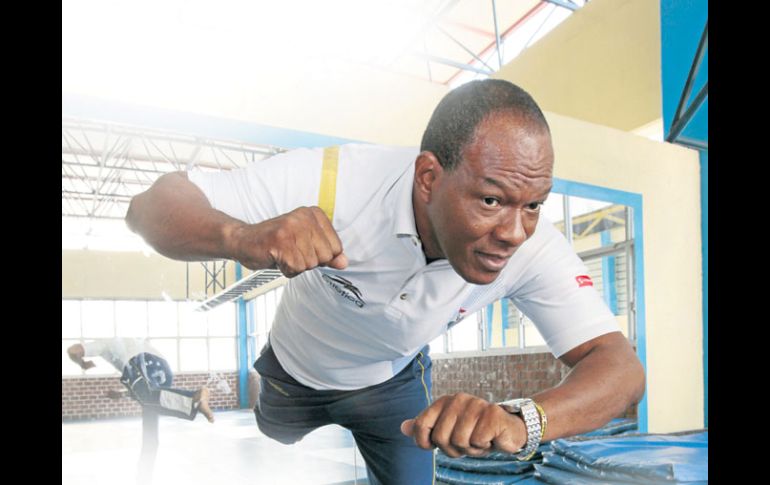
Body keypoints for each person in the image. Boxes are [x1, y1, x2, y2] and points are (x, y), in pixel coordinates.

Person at [125, 79, 645, 484]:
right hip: (292, 373)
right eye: (491, 200)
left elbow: (620, 367)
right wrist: (241, 236)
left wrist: (522, 419)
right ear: (428, 177)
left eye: (533, 205)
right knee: (272, 432)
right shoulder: (334, 181)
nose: (513, 232)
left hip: (390, 387)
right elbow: (149, 208)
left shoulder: (531, 246)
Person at [67, 338, 215, 483]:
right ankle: (144, 476)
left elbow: (73, 351)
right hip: (163, 369)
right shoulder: (128, 346)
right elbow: (146, 391)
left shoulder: (104, 344)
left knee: (147, 397)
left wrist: (83, 363)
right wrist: (122, 394)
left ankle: (194, 398)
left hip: (142, 361)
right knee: (150, 411)